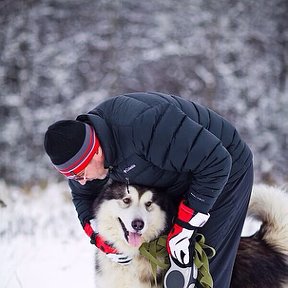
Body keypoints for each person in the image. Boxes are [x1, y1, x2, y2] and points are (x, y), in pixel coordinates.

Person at [44, 92, 253, 287]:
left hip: (225, 169)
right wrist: (98, 236)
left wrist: (184, 228)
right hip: (180, 175)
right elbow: (84, 195)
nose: (80, 181)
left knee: (202, 265)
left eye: (80, 174)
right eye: (71, 177)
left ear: (96, 152)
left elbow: (216, 162)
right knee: (168, 266)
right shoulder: (81, 146)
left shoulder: (142, 126)